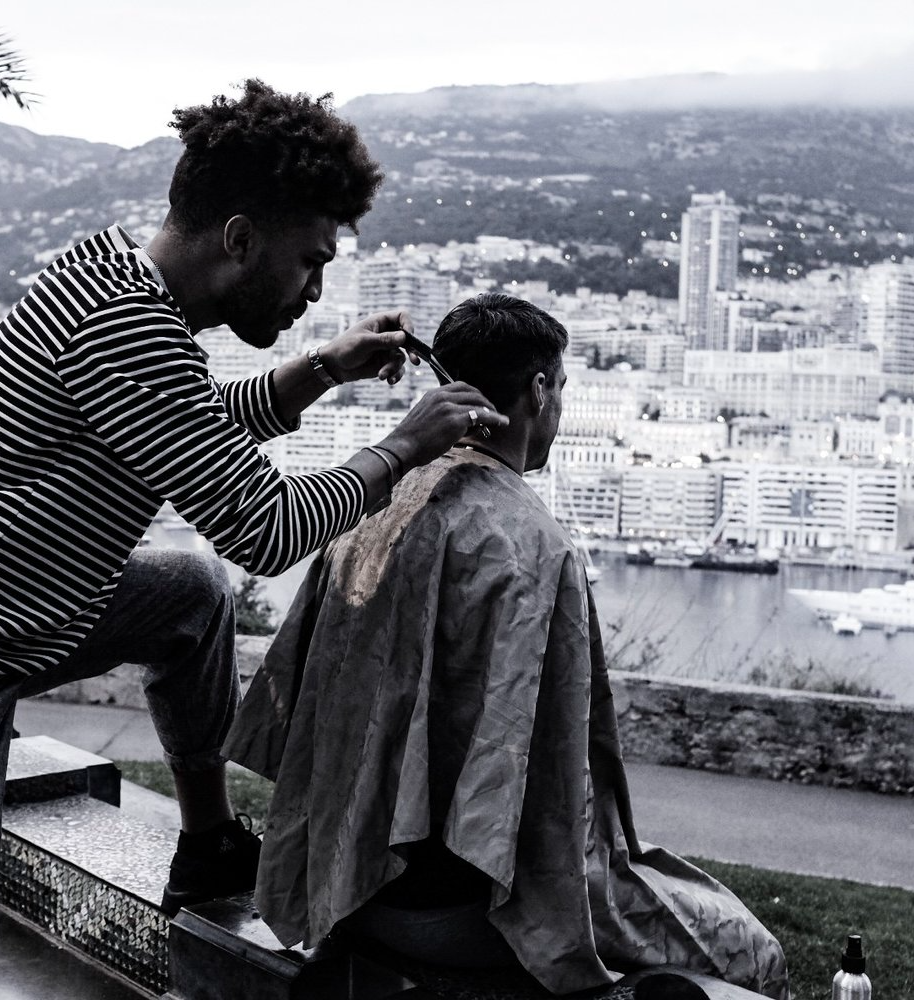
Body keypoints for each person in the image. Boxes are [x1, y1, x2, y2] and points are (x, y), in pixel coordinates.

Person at [0, 80, 508, 1000]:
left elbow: (176, 426)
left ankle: (207, 841)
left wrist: (318, 370)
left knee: (190, 593)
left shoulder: (116, 281)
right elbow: (267, 527)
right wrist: (406, 445)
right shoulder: (129, 327)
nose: (314, 289)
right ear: (239, 239)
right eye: (309, 263)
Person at [226, 293, 790, 998]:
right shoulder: (533, 545)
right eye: (562, 390)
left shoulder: (368, 509)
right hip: (461, 915)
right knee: (754, 952)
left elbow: (287, 720)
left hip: (340, 887)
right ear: (539, 389)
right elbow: (550, 804)